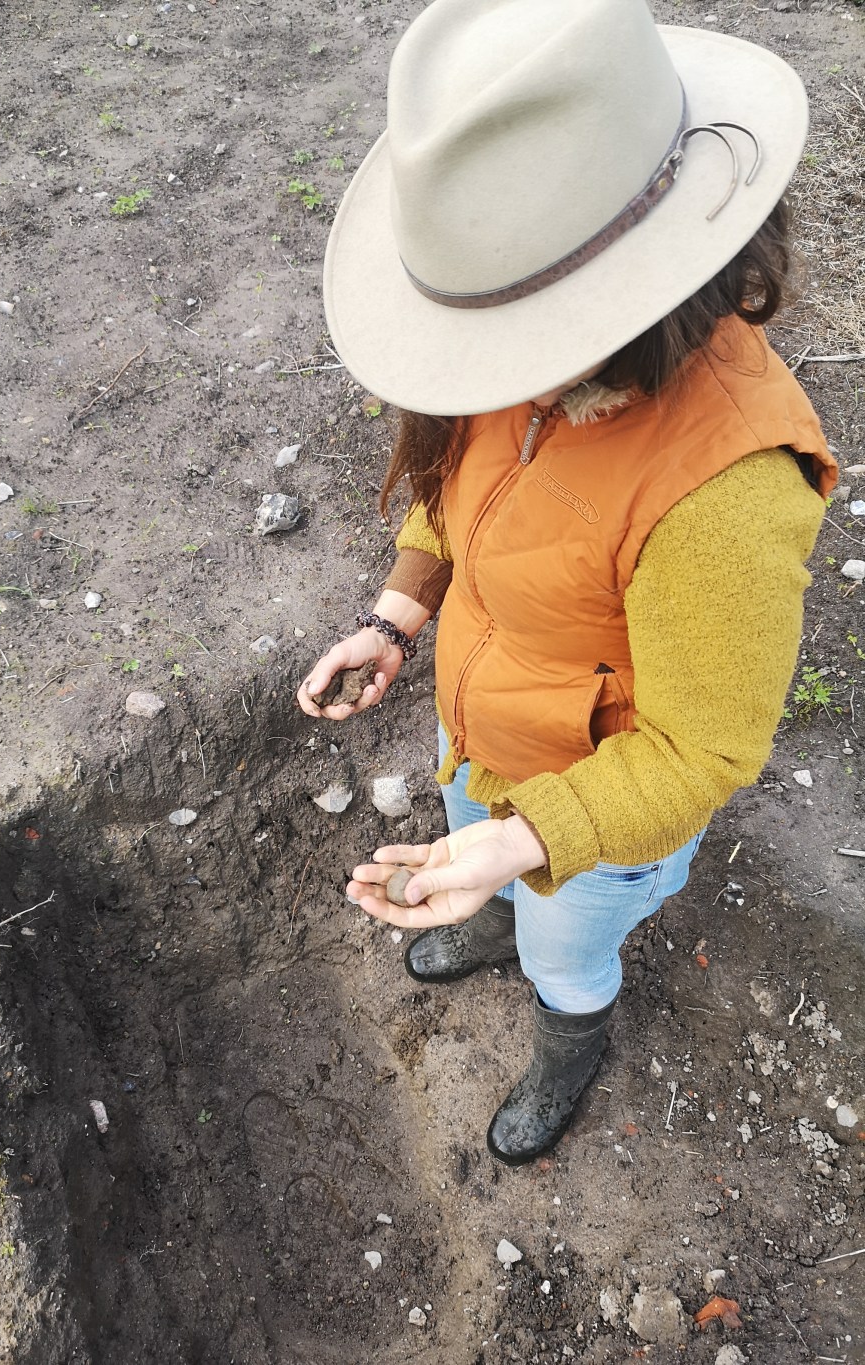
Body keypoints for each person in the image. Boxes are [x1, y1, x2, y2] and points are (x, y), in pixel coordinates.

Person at [296, 0, 837, 1165]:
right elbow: (461, 485)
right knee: (482, 849)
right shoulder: (518, 349)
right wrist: (401, 609)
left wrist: (527, 840)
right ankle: (500, 916)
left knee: (568, 946)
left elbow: (700, 752)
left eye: (513, 342)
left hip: (603, 801)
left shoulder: (725, 491)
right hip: (482, 739)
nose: (482, 374)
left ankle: (566, 1035)